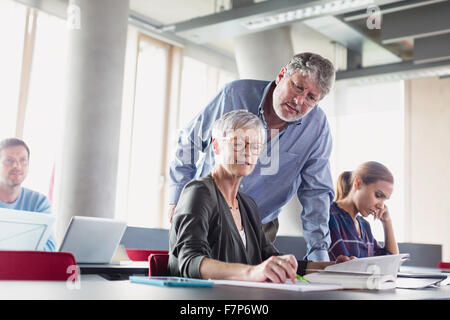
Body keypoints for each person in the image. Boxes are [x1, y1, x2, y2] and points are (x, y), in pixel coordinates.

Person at [168, 52, 336, 261]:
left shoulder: (317, 127)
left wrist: (319, 256)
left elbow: (316, 192)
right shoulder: (235, 94)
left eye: (311, 98)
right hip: (207, 212)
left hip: (260, 225)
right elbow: (188, 142)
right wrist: (178, 198)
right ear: (282, 75)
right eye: (297, 87)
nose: (299, 101)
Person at [169, 110, 351, 282]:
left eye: (256, 147)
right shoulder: (198, 192)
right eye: (238, 143)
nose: (248, 152)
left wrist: (330, 267)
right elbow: (189, 261)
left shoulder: (247, 205)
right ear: (216, 146)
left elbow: (270, 258)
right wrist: (253, 272)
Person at [328, 161, 399, 260]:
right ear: (358, 183)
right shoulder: (329, 215)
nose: (381, 206)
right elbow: (345, 267)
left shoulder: (364, 225)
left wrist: (387, 222)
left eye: (385, 199)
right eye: (378, 195)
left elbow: (391, 262)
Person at [0, 138, 56, 251]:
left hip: (26, 267)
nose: (16, 165)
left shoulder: (39, 202)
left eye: (22, 160)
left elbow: (50, 248)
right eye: (9, 160)